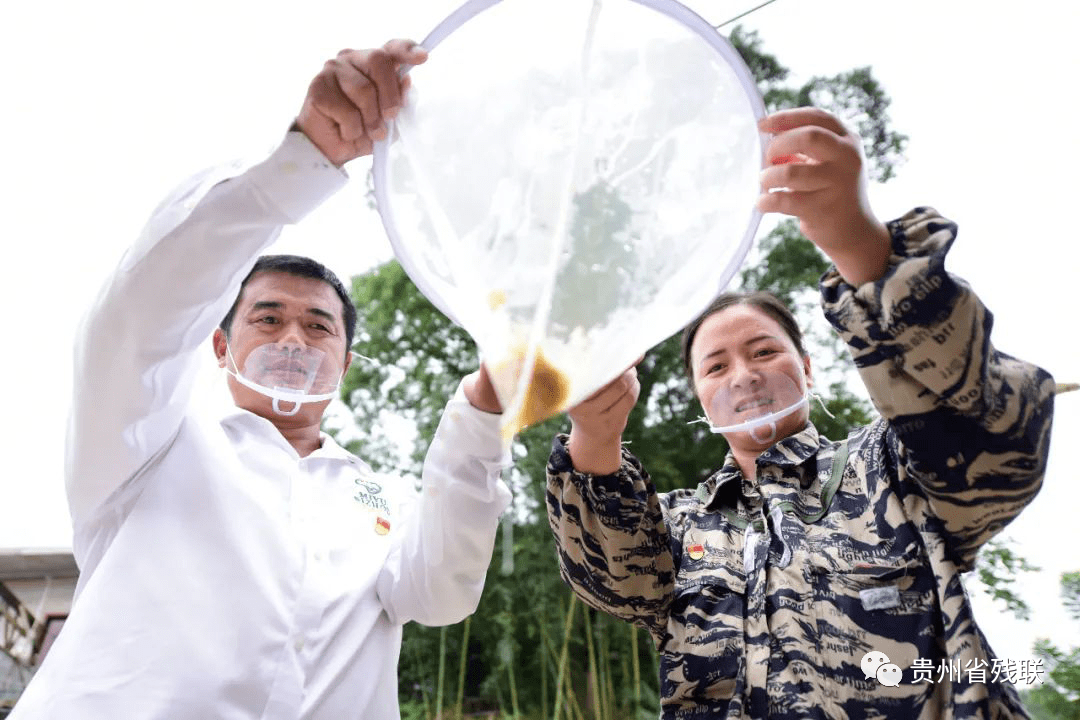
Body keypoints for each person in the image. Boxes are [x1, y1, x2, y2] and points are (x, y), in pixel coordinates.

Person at [12, 40, 511, 720]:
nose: (292, 340)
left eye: (318, 326)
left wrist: (483, 408)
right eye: (268, 317)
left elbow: (441, 593)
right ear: (220, 344)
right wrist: (298, 164)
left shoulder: (375, 497)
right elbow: (135, 322)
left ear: (346, 362)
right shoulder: (147, 444)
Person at [546, 107, 1056, 719]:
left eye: (764, 351)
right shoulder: (683, 528)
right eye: (715, 366)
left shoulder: (890, 468)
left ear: (808, 368)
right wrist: (592, 438)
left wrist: (863, 248)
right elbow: (615, 581)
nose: (745, 374)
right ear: (698, 400)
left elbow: (989, 433)